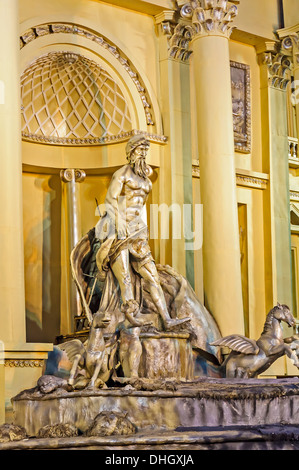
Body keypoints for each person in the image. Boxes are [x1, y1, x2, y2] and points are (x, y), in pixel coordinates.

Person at [94, 134, 190, 330]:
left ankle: (167, 319)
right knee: (126, 280)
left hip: (137, 231)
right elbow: (110, 199)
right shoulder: (121, 174)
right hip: (120, 230)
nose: (143, 154)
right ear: (131, 153)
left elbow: (142, 207)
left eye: (146, 150)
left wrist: (144, 228)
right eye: (140, 150)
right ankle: (132, 320)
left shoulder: (147, 177)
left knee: (152, 276)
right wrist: (119, 221)